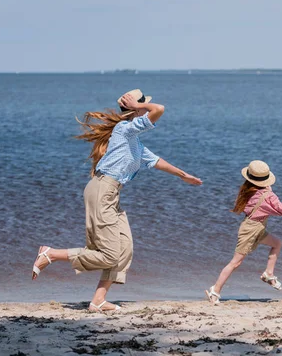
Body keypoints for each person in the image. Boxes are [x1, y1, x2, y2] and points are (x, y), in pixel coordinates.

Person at [31, 89, 202, 312]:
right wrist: (140, 107)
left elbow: (156, 161)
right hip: (103, 190)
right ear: (135, 109)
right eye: (141, 107)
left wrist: (183, 175)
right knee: (109, 254)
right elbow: (159, 109)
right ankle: (51, 254)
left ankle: (98, 300)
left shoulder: (133, 140)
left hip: (110, 193)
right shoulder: (124, 129)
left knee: (124, 249)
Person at [205, 160, 282, 305]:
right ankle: (215, 290)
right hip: (251, 229)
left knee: (277, 243)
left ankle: (268, 274)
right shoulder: (268, 195)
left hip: (255, 226)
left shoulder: (247, 189)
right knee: (235, 262)